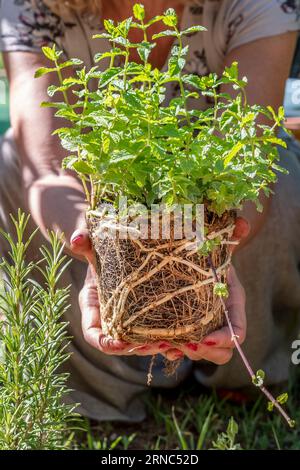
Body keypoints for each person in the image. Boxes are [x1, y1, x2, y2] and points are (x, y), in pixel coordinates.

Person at [0, 0, 299, 422]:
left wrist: (215, 248)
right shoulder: (31, 5)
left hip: (206, 206)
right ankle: (101, 385)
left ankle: (244, 373)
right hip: (104, 203)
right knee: (10, 165)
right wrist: (97, 246)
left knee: (278, 170)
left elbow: (250, 140)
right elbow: (47, 164)